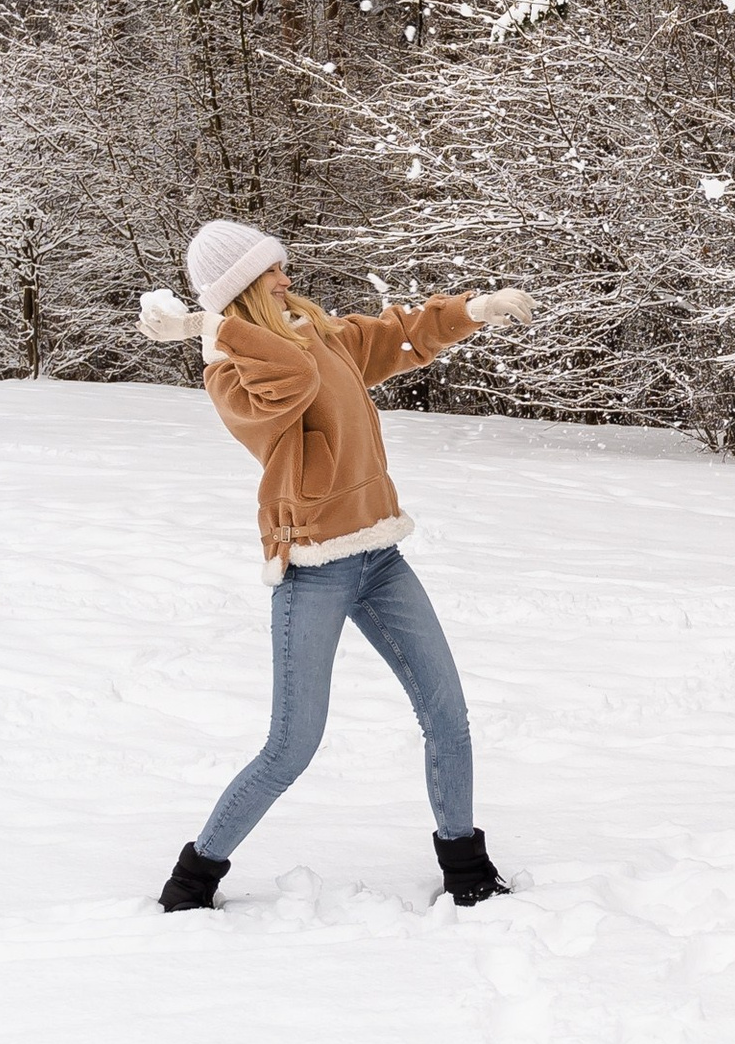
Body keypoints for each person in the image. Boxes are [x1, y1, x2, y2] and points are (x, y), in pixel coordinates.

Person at [136, 220, 534, 911]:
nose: (286, 276)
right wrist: (213, 326)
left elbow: (397, 337)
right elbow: (288, 380)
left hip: (379, 554)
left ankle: (466, 867)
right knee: (291, 746)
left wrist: (474, 309)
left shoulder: (313, 331)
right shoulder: (231, 372)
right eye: (270, 272)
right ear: (239, 290)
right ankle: (193, 879)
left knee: (448, 714)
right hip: (314, 566)